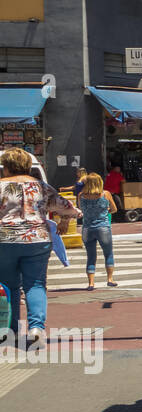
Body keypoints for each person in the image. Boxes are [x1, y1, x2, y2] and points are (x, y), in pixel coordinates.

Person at [0, 148, 80, 347]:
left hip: (5, 240)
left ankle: (11, 330)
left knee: (9, 286)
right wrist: (64, 220)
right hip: (37, 239)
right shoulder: (41, 186)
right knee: (35, 284)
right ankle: (36, 328)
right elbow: (70, 208)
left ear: (6, 167)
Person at [76, 173, 118, 290]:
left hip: (87, 228)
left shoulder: (81, 195)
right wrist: (106, 210)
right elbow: (114, 209)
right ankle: (110, 279)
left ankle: (91, 283)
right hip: (103, 227)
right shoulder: (105, 194)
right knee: (108, 253)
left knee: (91, 256)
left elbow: (82, 209)